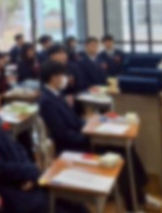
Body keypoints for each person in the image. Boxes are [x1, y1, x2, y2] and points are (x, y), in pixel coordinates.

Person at [39, 61, 149, 211]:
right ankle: (133, 205)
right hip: (74, 148)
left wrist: (90, 123)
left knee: (128, 149)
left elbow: (74, 120)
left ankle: (139, 196)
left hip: (82, 138)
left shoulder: (56, 95)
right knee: (122, 155)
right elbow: (62, 134)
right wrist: (89, 138)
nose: (65, 78)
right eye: (62, 75)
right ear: (53, 77)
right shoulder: (47, 101)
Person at [0, 76, 49, 213]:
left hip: (19, 174)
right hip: (2, 185)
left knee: (58, 194)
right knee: (46, 201)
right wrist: (26, 174)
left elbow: (17, 147)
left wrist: (29, 171)